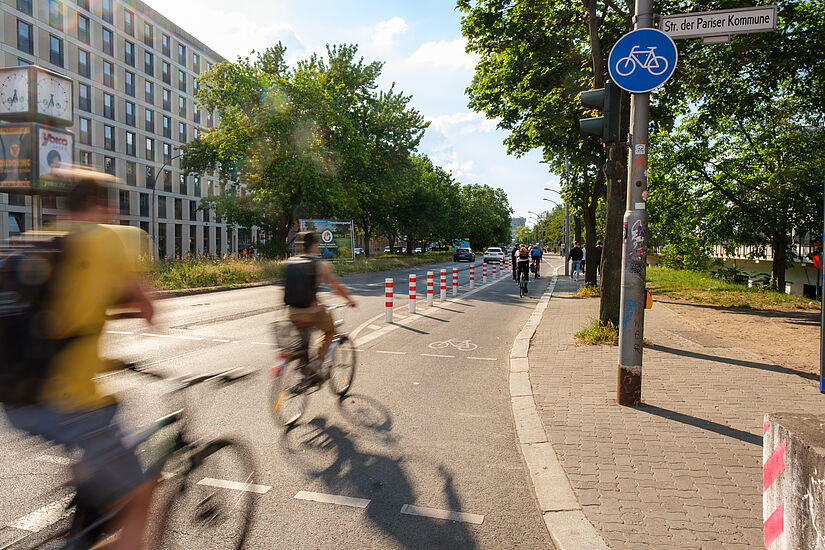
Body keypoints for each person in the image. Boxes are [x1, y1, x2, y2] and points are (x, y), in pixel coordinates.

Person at [2, 179, 156, 550]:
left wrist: (106, 358)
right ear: (100, 205)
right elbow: (148, 309)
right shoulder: (108, 239)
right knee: (144, 491)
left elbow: (56, 329)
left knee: (99, 443)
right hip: (69, 403)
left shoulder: (41, 240)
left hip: (15, 399)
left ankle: (80, 530)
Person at [283, 231, 357, 373]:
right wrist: (350, 300)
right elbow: (337, 287)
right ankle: (318, 361)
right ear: (314, 246)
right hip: (312, 312)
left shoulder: (291, 263)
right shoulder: (320, 265)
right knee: (330, 330)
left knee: (303, 344)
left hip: (292, 313)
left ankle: (303, 375)